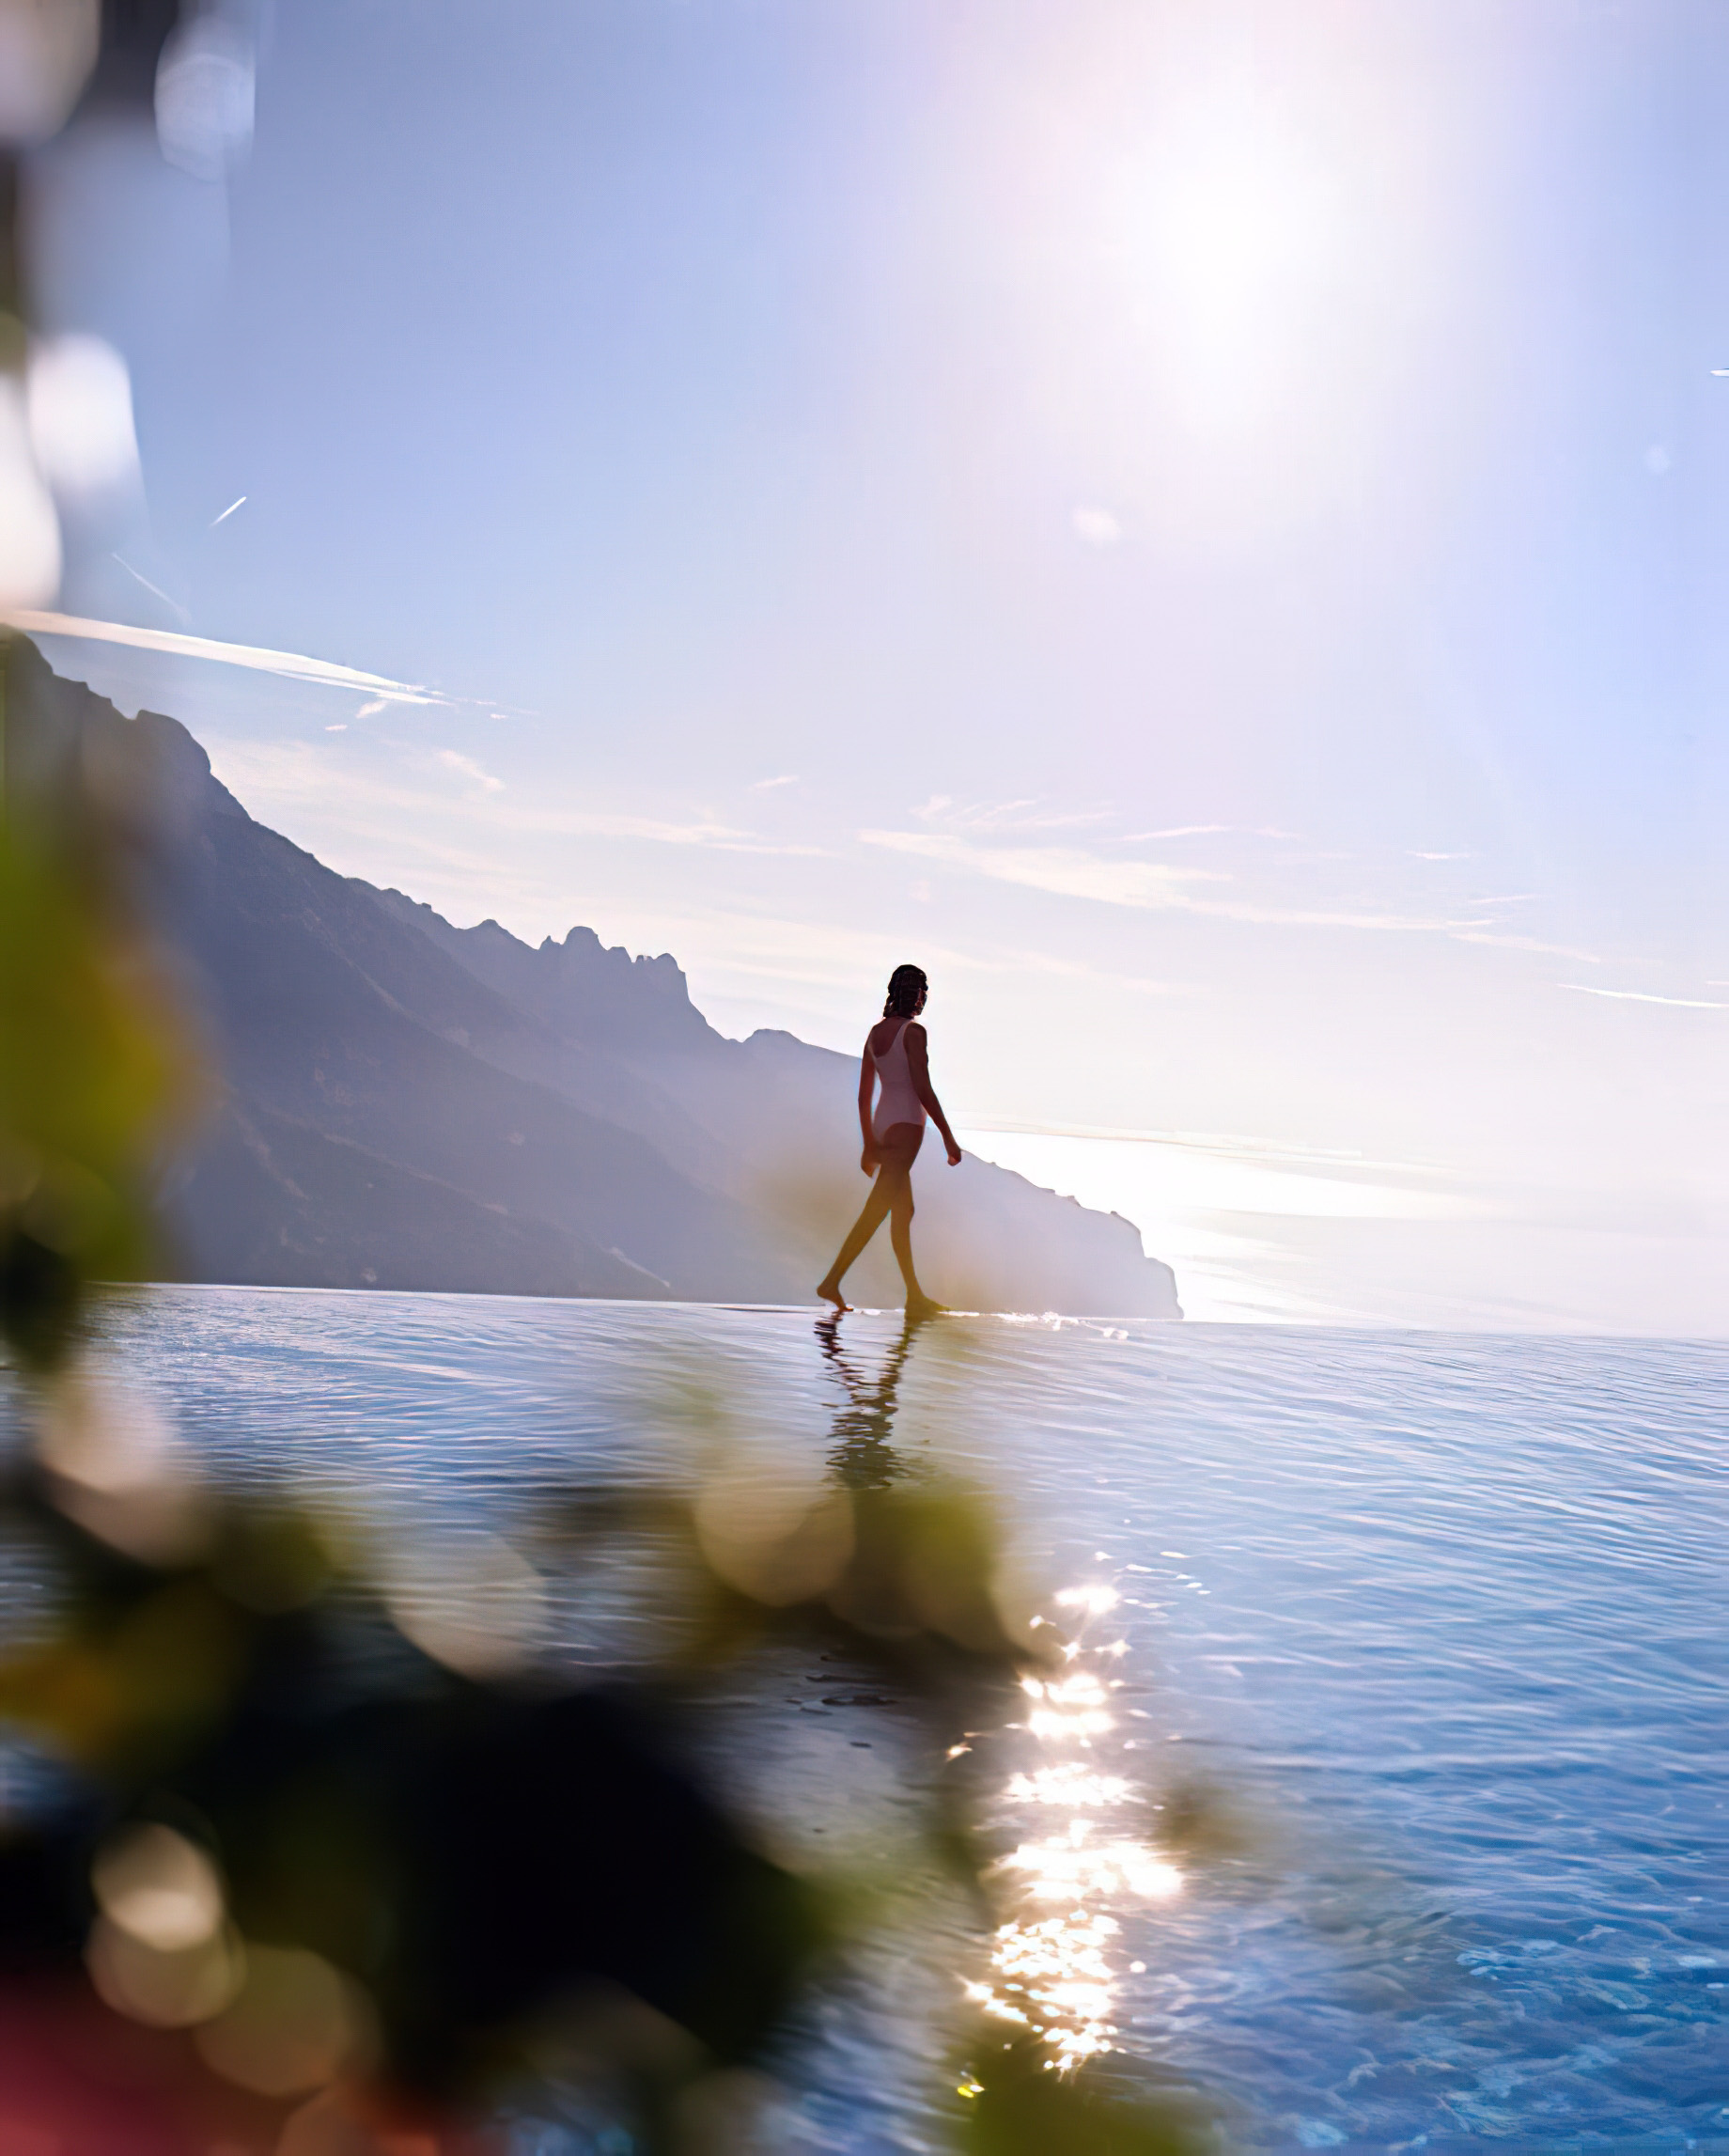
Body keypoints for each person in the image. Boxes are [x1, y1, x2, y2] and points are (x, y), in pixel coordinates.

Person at [817, 962, 962, 1317]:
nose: (923, 998)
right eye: (922, 991)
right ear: (916, 995)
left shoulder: (875, 1033)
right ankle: (832, 1281)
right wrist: (947, 1136)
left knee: (903, 1209)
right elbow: (922, 1088)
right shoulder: (914, 1033)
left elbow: (864, 1095)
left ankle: (914, 1296)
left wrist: (869, 1140)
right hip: (907, 1126)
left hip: (884, 1124)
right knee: (877, 1209)